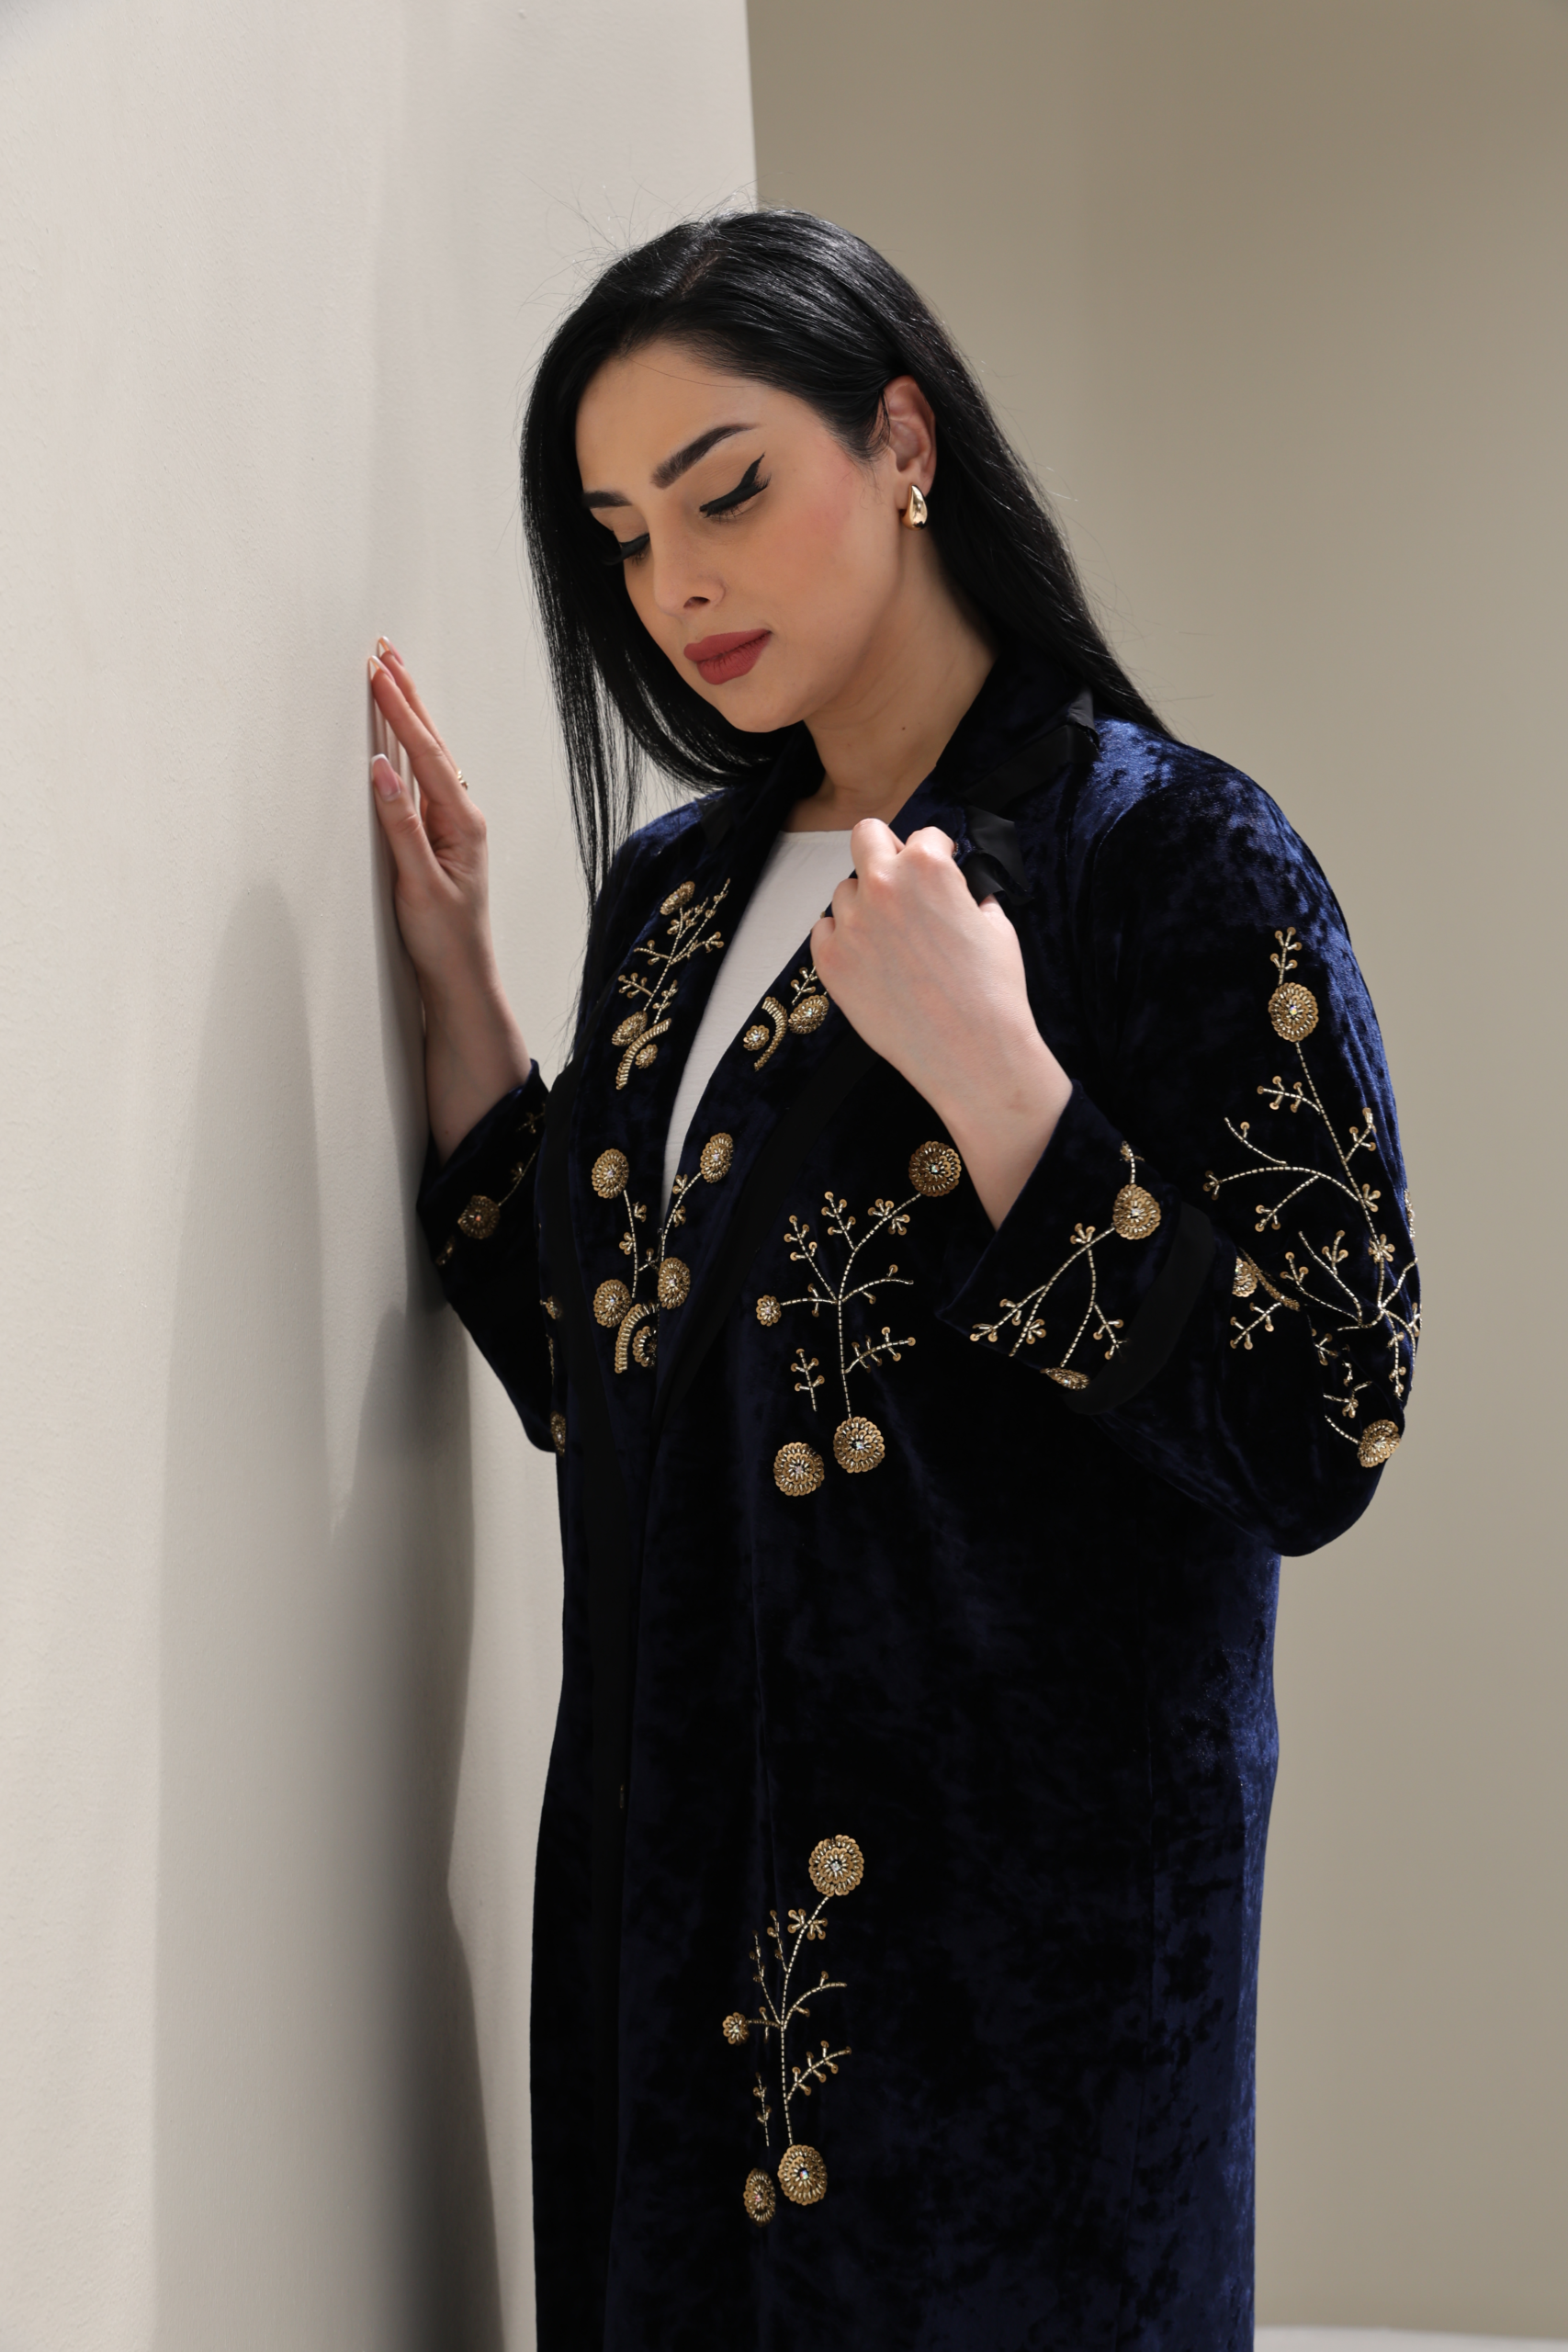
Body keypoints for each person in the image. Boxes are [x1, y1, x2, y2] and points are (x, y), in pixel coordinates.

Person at [365, 209, 1417, 2352]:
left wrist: (1010, 1089)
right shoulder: (673, 898)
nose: (677, 584)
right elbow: (610, 1379)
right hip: (675, 1961)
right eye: (621, 536)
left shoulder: (1168, 857)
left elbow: (1324, 1415)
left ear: (905, 443)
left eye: (728, 489)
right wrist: (460, 1001)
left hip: (1012, 2008)